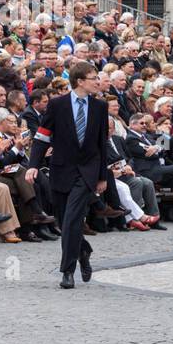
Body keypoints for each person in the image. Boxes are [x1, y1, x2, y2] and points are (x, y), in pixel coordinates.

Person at [27, 62, 110, 289]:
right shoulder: (57, 105)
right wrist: (33, 165)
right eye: (93, 77)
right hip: (61, 169)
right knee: (66, 222)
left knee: (73, 217)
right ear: (80, 81)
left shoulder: (100, 107)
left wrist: (102, 176)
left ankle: (67, 271)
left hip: (88, 171)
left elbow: (102, 143)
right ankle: (83, 250)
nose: (98, 81)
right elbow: (42, 137)